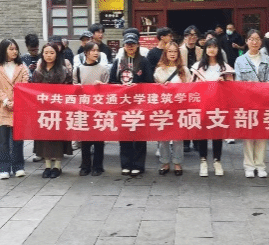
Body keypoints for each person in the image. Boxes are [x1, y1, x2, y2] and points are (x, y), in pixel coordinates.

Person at [110, 33, 154, 176]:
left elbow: (150, 82)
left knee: (139, 134)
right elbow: (112, 81)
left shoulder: (144, 61)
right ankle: (126, 164)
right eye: (127, 44)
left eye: (133, 44)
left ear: (137, 45)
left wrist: (138, 86)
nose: (130, 46)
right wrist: (120, 87)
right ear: (124, 46)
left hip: (139, 103)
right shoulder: (118, 62)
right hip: (123, 103)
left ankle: (138, 165)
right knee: (124, 134)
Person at [234, 30, 269, 178]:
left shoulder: (267, 60)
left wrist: (263, 87)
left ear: (261, 41)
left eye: (257, 39)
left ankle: (260, 165)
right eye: (251, 39)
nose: (254, 42)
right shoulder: (240, 60)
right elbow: (238, 82)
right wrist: (248, 86)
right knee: (249, 135)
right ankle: (249, 166)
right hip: (247, 102)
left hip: (263, 101)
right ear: (246, 41)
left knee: (262, 135)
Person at [191, 38, 234, 177]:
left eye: (215, 47)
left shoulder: (225, 68)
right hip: (202, 105)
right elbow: (192, 87)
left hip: (219, 106)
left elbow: (232, 88)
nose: (212, 50)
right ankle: (203, 161)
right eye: (209, 47)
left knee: (217, 133)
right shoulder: (198, 67)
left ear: (219, 49)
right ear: (205, 49)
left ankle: (217, 161)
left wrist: (224, 83)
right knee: (202, 133)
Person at [0, 39, 30, 180]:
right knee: (3, 140)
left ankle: (18, 166)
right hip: (2, 107)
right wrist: (6, 101)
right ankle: (4, 168)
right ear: (3, 50)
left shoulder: (22, 67)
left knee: (18, 139)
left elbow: (25, 84)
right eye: (11, 49)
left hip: (19, 107)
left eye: (16, 49)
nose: (14, 52)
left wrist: (16, 101)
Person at [31, 42, 73, 178]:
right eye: (46, 53)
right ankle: (47, 166)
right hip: (43, 110)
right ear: (42, 54)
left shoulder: (64, 71)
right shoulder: (38, 71)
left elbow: (69, 89)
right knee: (45, 138)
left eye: (52, 53)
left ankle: (57, 166)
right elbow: (33, 91)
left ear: (57, 54)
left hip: (59, 110)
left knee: (57, 138)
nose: (48, 55)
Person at [154, 41, 191, 176]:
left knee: (177, 138)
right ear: (165, 53)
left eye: (175, 51)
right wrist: (164, 87)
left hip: (178, 107)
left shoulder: (184, 70)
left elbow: (189, 88)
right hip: (164, 108)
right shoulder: (159, 70)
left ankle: (177, 163)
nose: (172, 54)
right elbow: (155, 89)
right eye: (170, 51)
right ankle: (164, 162)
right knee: (163, 137)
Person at [74, 42, 110, 176]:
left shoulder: (103, 69)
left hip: (99, 108)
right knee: (85, 140)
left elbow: (109, 89)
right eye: (93, 50)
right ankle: (85, 166)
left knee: (99, 140)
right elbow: (73, 88)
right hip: (84, 109)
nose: (96, 53)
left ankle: (98, 166)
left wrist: (102, 86)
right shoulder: (78, 70)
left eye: (97, 50)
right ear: (86, 53)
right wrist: (77, 88)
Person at [179, 25, 202, 153]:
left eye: (194, 35)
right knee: (185, 114)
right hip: (183, 86)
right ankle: (186, 142)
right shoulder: (179, 50)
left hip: (197, 86)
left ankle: (197, 141)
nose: (192, 37)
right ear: (185, 37)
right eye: (189, 35)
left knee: (197, 114)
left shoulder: (201, 51)